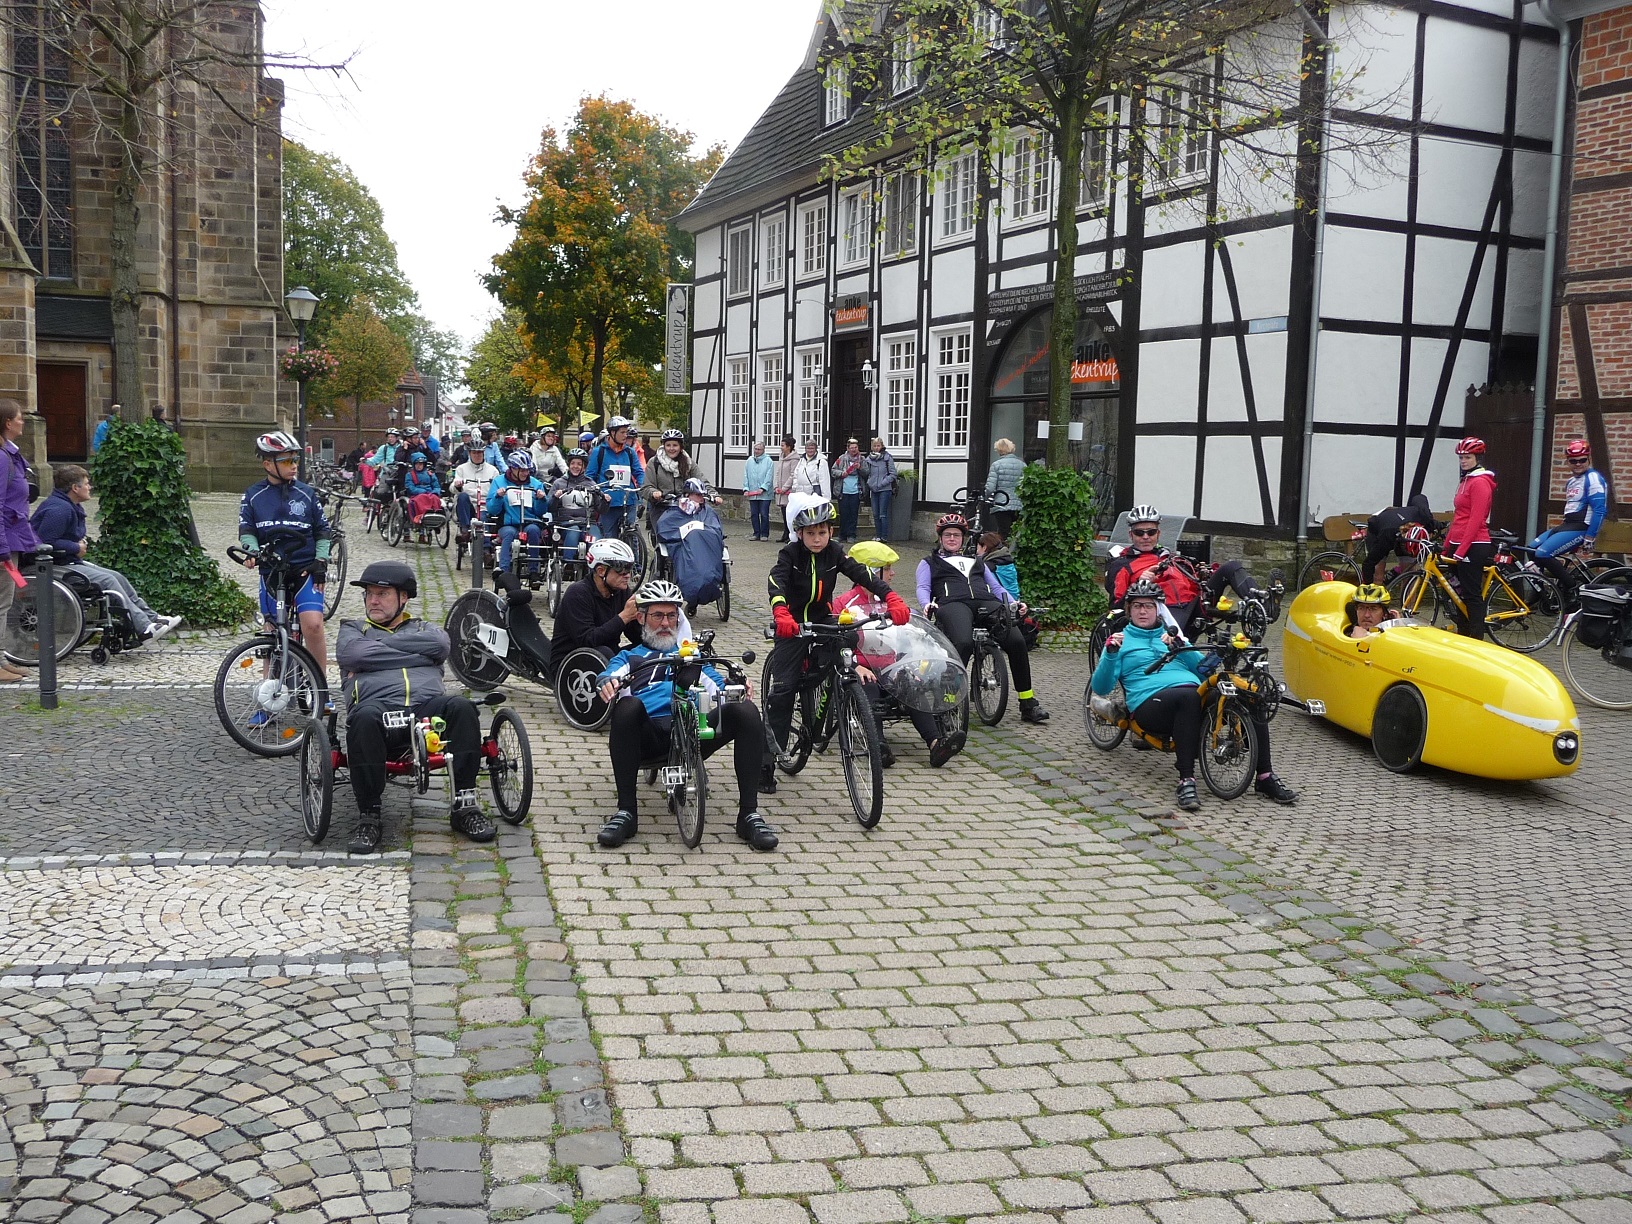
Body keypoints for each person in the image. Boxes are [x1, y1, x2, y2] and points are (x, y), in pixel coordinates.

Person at [595, 580, 778, 851]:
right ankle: (626, 813)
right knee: (627, 707)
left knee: (746, 711)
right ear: (642, 618)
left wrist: (737, 686)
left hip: (693, 728)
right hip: (651, 734)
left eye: (672, 615)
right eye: (658, 616)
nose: (666, 623)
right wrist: (606, 683)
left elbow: (718, 683)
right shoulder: (630, 657)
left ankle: (748, 815)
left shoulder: (692, 655)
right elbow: (608, 675)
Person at [1089, 578, 1297, 812]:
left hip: (1191, 694)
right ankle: (1186, 780)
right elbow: (1101, 686)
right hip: (1150, 703)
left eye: (1148, 605)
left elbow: (1203, 670)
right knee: (1188, 697)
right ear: (1129, 609)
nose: (1143, 611)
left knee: (1249, 695)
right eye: (1137, 606)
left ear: (1158, 609)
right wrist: (1110, 653)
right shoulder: (1122, 640)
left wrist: (1178, 645)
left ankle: (1265, 776)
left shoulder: (1171, 635)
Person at [337, 560, 494, 853]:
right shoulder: (354, 629)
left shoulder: (426, 628)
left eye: (382, 594)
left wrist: (382, 653)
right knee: (364, 717)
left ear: (403, 598)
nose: (373, 600)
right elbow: (354, 654)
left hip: (425, 711)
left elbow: (441, 647)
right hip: (378, 711)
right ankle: (369, 815)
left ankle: (465, 807)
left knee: (462, 706)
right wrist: (417, 655)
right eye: (369, 594)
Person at [766, 499, 912, 791]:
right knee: (782, 693)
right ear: (800, 534)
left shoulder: (834, 552)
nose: (817, 539)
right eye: (810, 534)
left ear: (830, 532)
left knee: (846, 642)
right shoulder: (789, 554)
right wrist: (781, 612)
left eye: (822, 532)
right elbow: (776, 582)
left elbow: (863, 574)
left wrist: (891, 597)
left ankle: (842, 693)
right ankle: (765, 765)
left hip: (822, 620)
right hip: (792, 625)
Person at [835, 540, 967, 767]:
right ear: (871, 571)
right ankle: (878, 745)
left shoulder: (890, 601)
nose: (893, 574)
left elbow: (908, 633)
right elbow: (836, 644)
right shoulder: (843, 605)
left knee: (912, 682)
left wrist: (917, 658)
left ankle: (936, 744)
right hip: (861, 668)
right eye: (887, 569)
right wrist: (856, 665)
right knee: (868, 686)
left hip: (891, 667)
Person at [916, 513, 1050, 724]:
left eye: (957, 535)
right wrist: (927, 605)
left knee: (1016, 640)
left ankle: (1028, 704)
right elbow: (922, 587)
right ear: (940, 538)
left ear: (963, 538)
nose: (952, 539)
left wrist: (1013, 603)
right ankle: (948, 703)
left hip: (986, 601)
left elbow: (996, 588)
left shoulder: (977, 561)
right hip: (952, 603)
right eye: (948, 535)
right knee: (962, 642)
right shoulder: (929, 562)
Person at [29, 465, 181, 643]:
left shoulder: (68, 505)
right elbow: (44, 543)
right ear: (75, 488)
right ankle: (143, 629)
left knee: (117, 576)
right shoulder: (59, 510)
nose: (90, 487)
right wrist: (75, 547)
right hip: (50, 566)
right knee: (108, 581)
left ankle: (151, 618)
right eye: (87, 483)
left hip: (65, 561)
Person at [237, 430, 333, 695]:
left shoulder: (306, 493)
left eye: (295, 460)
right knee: (271, 633)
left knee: (313, 624)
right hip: (273, 572)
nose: (294, 466)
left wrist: (320, 560)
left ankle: (320, 689)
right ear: (268, 463)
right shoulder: (253, 495)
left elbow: (323, 530)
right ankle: (269, 695)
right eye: (287, 461)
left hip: (304, 569)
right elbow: (247, 530)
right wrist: (252, 551)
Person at [1105, 505, 1278, 641]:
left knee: (1230, 567)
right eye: (1139, 533)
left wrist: (1205, 574)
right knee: (1177, 649)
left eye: (1150, 532)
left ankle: (1262, 604)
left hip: (1196, 605)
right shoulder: (1123, 564)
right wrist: (1139, 584)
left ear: (1158, 533)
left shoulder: (1170, 556)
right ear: (1130, 535)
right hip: (1164, 613)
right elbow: (1116, 607)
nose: (1145, 537)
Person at [550, 537, 642, 670]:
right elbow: (587, 640)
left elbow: (634, 635)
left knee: (647, 650)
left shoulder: (621, 591)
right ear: (601, 571)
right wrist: (625, 616)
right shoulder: (577, 593)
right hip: (570, 661)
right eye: (621, 569)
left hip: (606, 656)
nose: (627, 575)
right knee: (603, 651)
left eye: (629, 569)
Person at [1531, 439, 1609, 591]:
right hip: (1568, 525)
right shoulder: (1572, 481)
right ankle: (1540, 593)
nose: (1578, 464)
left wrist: (1590, 537)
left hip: (1581, 527)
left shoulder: (1593, 479)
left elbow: (1600, 510)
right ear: (1568, 461)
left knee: (1543, 553)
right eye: (1573, 461)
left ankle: (1571, 588)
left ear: (1589, 459)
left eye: (1582, 460)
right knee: (1532, 549)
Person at [0, 399, 42, 682]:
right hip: (4, 542)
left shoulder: (9, 454)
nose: (23, 422)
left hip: (12, 539)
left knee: (6, 599)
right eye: (19, 418)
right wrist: (2, 548)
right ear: (7, 423)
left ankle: (2, 658)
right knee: (2, 601)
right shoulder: (2, 457)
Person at [1445, 437, 1496, 639]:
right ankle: (1463, 633)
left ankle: (1476, 639)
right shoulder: (1465, 480)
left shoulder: (1481, 483)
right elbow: (1458, 517)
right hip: (1458, 543)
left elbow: (1475, 520)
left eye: (1467, 457)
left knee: (1472, 594)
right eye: (1461, 458)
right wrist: (1447, 545)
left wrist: (1461, 550)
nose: (1463, 461)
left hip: (1474, 544)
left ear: (1478, 458)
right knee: (1457, 592)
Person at [486, 451, 547, 577]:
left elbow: (541, 511)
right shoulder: (499, 482)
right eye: (522, 470)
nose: (526, 473)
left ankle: (533, 570)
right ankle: (504, 571)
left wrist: (541, 500)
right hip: (508, 523)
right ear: (513, 469)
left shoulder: (536, 484)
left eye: (528, 470)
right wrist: (497, 497)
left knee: (534, 530)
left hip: (530, 521)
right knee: (508, 534)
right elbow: (492, 510)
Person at [588, 416, 645, 541]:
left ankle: (635, 561)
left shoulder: (630, 452)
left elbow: (639, 472)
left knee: (632, 536)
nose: (626, 435)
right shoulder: (599, 452)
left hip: (628, 500)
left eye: (626, 432)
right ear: (612, 433)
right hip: (608, 502)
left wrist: (642, 485)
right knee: (610, 537)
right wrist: (598, 492)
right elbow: (589, 477)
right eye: (622, 432)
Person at [1362, 494, 1437, 583]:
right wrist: (1368, 586)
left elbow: (1419, 497)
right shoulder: (1386, 536)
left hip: (1403, 526)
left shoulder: (1424, 518)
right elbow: (1368, 564)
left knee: (1409, 579)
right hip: (1381, 528)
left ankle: (1404, 591)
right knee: (1378, 575)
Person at [548, 447, 604, 560]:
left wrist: (606, 501)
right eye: (573, 463)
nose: (575, 466)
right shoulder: (559, 483)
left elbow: (601, 509)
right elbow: (549, 507)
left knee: (596, 541)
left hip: (588, 523)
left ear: (584, 466)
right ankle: (568, 563)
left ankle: (595, 569)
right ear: (569, 464)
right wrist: (555, 497)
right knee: (574, 531)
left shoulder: (591, 484)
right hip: (566, 523)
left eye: (579, 464)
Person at [452, 445, 500, 549]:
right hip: (468, 505)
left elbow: (496, 489)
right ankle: (465, 530)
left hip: (484, 505)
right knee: (462, 496)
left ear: (483, 453)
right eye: (474, 453)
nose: (477, 455)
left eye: (479, 453)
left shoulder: (493, 470)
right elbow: (453, 487)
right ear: (470, 454)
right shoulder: (461, 469)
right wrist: (457, 485)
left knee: (482, 521)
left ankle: (486, 549)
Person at [984, 438, 1025, 537]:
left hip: (1002, 503)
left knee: (1004, 533)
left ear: (998, 450)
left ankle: (1004, 551)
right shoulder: (1022, 465)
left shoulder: (996, 465)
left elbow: (990, 487)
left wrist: (987, 498)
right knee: (1017, 534)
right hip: (1019, 504)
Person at [860, 438, 898, 541]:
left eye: (878, 446)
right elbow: (866, 473)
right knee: (876, 514)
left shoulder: (887, 458)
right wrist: (869, 483)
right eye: (875, 446)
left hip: (885, 489)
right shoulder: (869, 459)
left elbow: (893, 474)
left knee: (882, 514)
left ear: (882, 446)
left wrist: (882, 483)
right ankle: (877, 535)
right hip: (873, 489)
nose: (877, 448)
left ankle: (884, 537)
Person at [832, 439, 865, 543]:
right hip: (843, 491)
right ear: (848, 448)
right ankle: (842, 535)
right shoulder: (841, 458)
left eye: (855, 447)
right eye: (851, 448)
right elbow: (833, 470)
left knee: (853, 514)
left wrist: (860, 468)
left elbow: (867, 473)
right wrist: (842, 473)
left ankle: (852, 535)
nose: (853, 450)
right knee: (844, 514)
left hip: (856, 491)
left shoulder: (862, 459)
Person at [743, 441, 775, 541]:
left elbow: (769, 477)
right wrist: (746, 488)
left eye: (759, 449)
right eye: (755, 449)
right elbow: (745, 475)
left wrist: (763, 488)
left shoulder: (769, 461)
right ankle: (756, 533)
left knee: (764, 513)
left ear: (763, 450)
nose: (757, 451)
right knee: (754, 514)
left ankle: (764, 534)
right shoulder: (749, 460)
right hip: (752, 492)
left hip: (765, 494)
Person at [403, 453, 443, 527]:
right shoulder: (409, 475)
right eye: (417, 464)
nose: (419, 466)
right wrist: (422, 491)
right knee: (420, 499)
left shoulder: (430, 474)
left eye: (421, 464)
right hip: (417, 495)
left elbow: (436, 486)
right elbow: (410, 487)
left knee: (436, 499)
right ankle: (421, 516)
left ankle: (435, 515)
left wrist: (435, 492)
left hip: (430, 493)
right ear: (414, 464)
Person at [978, 531, 1021, 600]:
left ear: (984, 547)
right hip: (1014, 600)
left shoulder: (988, 566)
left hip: (1000, 602)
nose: (977, 552)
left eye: (978, 548)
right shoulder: (1008, 562)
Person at [773, 435, 799, 543]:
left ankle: (790, 534)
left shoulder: (794, 459)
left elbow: (793, 475)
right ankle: (785, 533)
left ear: (789, 447)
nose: (781, 447)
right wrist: (776, 486)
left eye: (783, 445)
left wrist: (784, 488)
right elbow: (778, 472)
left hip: (788, 491)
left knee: (789, 514)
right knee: (784, 513)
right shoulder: (781, 457)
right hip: (781, 490)